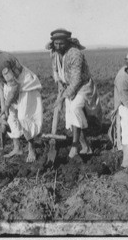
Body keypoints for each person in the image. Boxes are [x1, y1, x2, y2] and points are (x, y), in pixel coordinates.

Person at [0, 36, 43, 162]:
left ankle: (31, 148)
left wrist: (6, 105)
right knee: (11, 117)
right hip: (10, 84)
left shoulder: (1, 60)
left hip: (24, 84)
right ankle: (17, 148)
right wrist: (0, 83)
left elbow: (15, 85)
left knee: (24, 117)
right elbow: (4, 78)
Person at [46, 28, 102, 159]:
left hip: (83, 86)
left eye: (61, 43)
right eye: (56, 43)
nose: (58, 46)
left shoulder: (75, 54)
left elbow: (76, 80)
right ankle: (85, 146)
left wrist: (62, 98)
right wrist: (59, 84)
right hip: (67, 87)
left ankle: (75, 145)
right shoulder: (54, 53)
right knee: (71, 117)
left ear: (68, 42)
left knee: (75, 108)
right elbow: (55, 70)